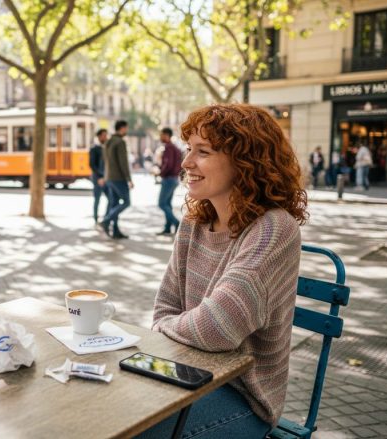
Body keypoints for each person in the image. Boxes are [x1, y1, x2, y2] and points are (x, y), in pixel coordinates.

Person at [140, 103, 307, 438]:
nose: (186, 163)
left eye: (203, 152)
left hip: (243, 396)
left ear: (246, 162)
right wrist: (183, 327)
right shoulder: (193, 223)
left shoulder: (274, 229)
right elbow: (163, 312)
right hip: (186, 374)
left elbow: (217, 328)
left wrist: (174, 327)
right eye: (189, 149)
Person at [100, 120, 133, 239]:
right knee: (126, 202)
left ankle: (115, 231)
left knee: (114, 204)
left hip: (109, 177)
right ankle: (106, 220)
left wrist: (105, 176)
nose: (126, 131)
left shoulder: (108, 142)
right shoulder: (120, 142)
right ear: (122, 128)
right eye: (126, 128)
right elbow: (123, 163)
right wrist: (129, 179)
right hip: (118, 178)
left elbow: (105, 161)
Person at [156, 127, 182, 235]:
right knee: (167, 204)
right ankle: (167, 227)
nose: (160, 137)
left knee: (161, 203)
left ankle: (176, 223)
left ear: (167, 135)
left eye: (161, 135)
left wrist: (160, 173)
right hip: (174, 179)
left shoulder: (169, 148)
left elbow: (168, 164)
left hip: (169, 179)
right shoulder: (176, 148)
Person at [89, 129, 109, 223]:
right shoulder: (94, 148)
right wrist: (99, 177)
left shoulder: (107, 147)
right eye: (104, 135)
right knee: (97, 199)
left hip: (106, 178)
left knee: (111, 199)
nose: (106, 137)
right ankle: (96, 219)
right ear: (99, 136)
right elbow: (92, 164)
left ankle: (106, 218)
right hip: (98, 178)